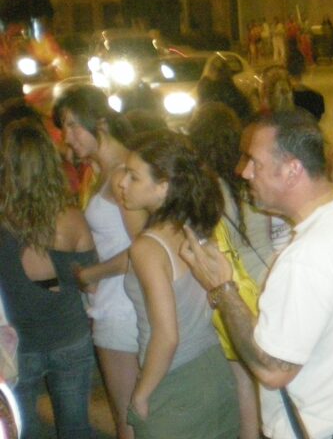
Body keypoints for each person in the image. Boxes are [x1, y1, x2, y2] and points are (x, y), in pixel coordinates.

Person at [179, 110, 333, 439]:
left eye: (255, 162)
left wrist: (223, 288)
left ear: (292, 169)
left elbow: (272, 370)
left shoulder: (307, 257)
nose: (244, 172)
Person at [120, 130, 240, 439]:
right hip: (214, 370)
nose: (122, 183)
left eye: (133, 177)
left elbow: (166, 335)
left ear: (163, 187)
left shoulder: (148, 249)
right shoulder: (195, 224)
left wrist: (141, 395)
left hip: (173, 381)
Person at [54, 85, 145, 439]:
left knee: (127, 420)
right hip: (113, 301)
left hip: (120, 307)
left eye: (74, 125)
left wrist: (93, 272)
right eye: (64, 127)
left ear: (101, 123)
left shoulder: (123, 176)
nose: (67, 136)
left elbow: (144, 250)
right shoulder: (101, 171)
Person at [0, 119, 98, 439]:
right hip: (69, 336)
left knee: (24, 429)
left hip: (19, 345)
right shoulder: (71, 218)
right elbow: (91, 284)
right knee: (75, 427)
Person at [188, 102, 275, 439]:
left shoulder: (212, 187)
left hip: (241, 287)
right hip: (269, 279)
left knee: (244, 377)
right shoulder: (251, 180)